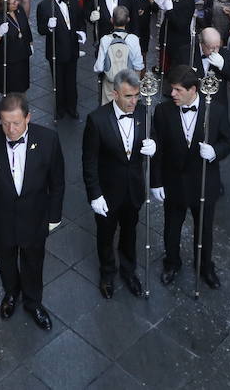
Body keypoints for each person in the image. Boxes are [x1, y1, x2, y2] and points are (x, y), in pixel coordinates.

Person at [0, 94, 65, 331]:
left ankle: (33, 302)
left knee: (33, 262)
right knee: (6, 260)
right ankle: (11, 294)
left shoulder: (48, 139)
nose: (10, 130)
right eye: (5, 123)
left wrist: (54, 217)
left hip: (35, 217)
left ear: (28, 118)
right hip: (2, 218)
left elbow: (58, 182)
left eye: (16, 123)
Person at [151, 66, 230, 288]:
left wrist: (215, 152)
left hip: (203, 182)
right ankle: (171, 263)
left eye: (178, 90)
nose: (173, 94)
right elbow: (157, 148)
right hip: (174, 182)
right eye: (172, 89)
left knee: (204, 229)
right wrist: (156, 182)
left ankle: (205, 266)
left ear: (193, 89)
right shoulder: (162, 111)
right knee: (171, 227)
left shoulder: (215, 111)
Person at [81, 70, 153, 299]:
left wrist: (155, 146)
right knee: (105, 234)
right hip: (107, 192)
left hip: (133, 189)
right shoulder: (97, 119)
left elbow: (152, 140)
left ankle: (129, 270)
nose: (133, 101)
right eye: (128, 96)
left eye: (136, 96)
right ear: (115, 94)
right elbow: (89, 161)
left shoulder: (143, 112)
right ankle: (107, 273)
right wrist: (95, 195)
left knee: (130, 232)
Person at [37, 0, 86, 120]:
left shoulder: (74, 1)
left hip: (72, 48)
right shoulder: (45, 6)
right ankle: (60, 109)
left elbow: (80, 19)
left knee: (71, 81)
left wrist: (82, 31)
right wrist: (48, 27)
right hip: (56, 50)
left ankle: (72, 107)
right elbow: (40, 30)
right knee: (58, 82)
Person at [0, 0, 33, 95]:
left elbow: (26, 28)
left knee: (22, 87)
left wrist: (30, 44)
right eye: (13, 2)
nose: (17, 2)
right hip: (9, 61)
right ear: (5, 6)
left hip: (22, 56)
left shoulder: (19, 10)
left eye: (16, 0)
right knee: (11, 92)